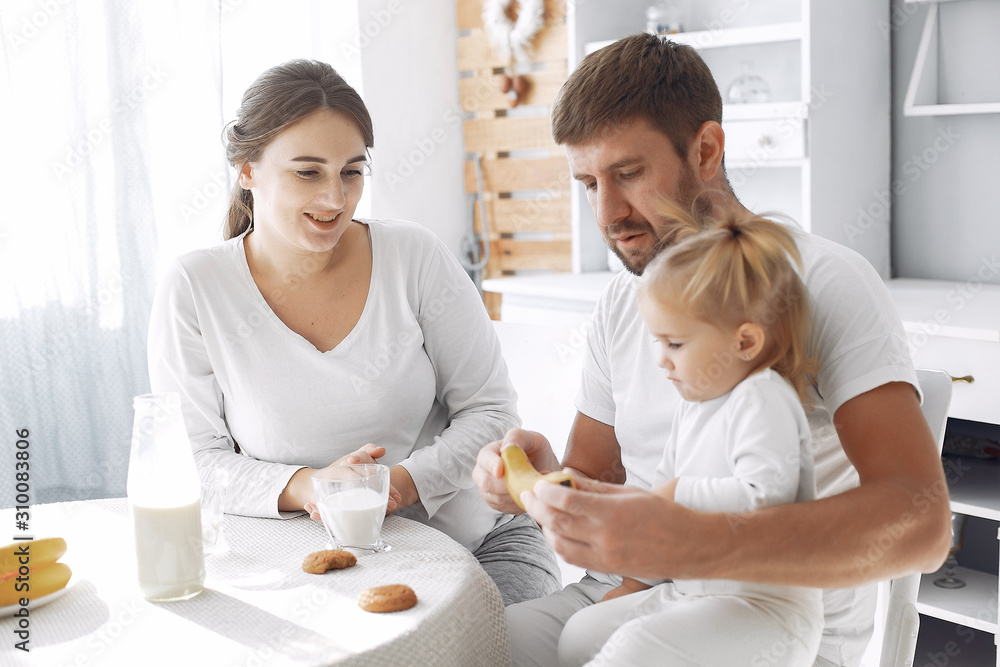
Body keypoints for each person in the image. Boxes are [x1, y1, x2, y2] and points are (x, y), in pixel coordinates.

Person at [473, 34, 951, 666]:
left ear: (705, 150)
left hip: (770, 623)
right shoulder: (625, 301)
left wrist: (689, 540)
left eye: (628, 174)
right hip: (630, 594)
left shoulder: (823, 282)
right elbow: (597, 481)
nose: (607, 213)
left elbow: (921, 524)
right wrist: (539, 482)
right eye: (588, 183)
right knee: (463, 645)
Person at [146, 59, 560, 606]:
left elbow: (493, 414)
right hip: (304, 566)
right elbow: (194, 460)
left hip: (475, 544)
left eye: (351, 171)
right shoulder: (195, 287)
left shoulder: (413, 257)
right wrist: (313, 487)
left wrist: (395, 486)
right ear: (247, 169)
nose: (335, 199)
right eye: (307, 172)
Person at [559, 211, 825, 666]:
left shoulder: (763, 398)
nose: (661, 361)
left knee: (629, 653)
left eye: (675, 345)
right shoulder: (694, 406)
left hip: (766, 613)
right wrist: (634, 582)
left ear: (744, 343)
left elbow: (764, 497)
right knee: (579, 636)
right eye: (658, 343)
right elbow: (654, 503)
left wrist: (677, 494)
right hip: (690, 592)